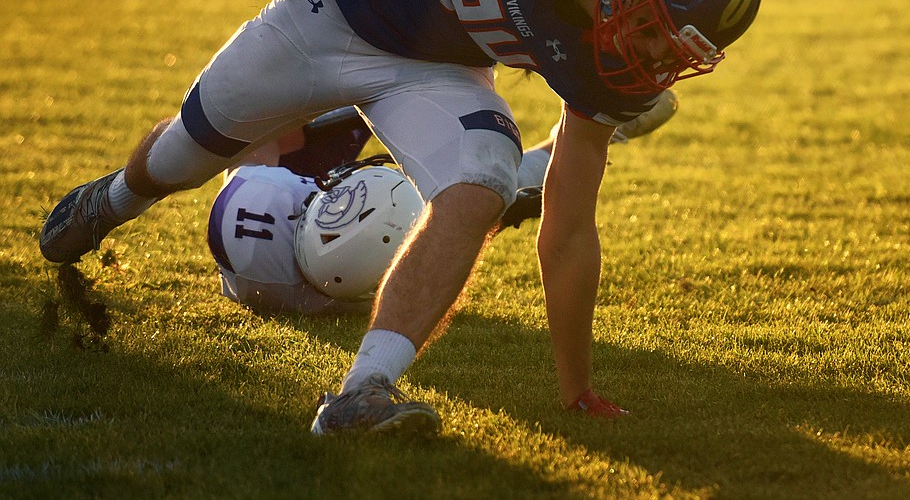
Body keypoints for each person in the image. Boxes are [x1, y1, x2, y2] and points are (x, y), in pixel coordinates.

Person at [40, 0, 763, 435]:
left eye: (673, 53)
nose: (647, 58)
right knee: (179, 159)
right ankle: (109, 201)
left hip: (439, 66)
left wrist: (577, 389)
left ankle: (364, 392)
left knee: (484, 179)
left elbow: (568, 233)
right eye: (650, 29)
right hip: (340, 7)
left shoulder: (616, 71)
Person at [207, 98, 677, 316]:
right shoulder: (329, 288)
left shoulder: (261, 189)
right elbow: (431, 253)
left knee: (318, 102)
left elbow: (256, 134)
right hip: (298, 226)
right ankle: (590, 133)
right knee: (467, 199)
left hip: (284, 202)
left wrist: (316, 107)